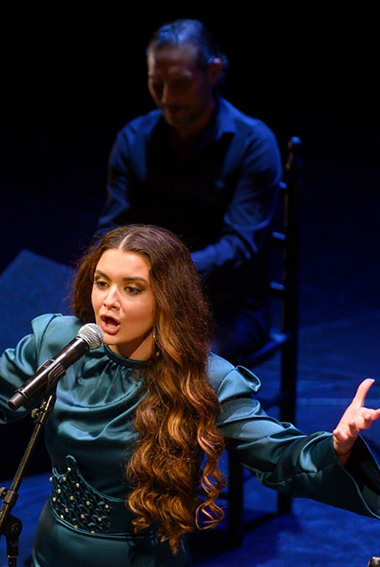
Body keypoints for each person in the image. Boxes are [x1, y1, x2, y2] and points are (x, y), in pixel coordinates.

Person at [0, 224, 380, 567]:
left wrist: (337, 446)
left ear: (166, 300)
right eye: (101, 283)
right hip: (53, 563)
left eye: (131, 288)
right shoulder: (60, 343)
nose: (108, 301)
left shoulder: (207, 380)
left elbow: (275, 453)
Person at [98, 19, 281, 362]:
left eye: (180, 84)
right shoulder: (133, 139)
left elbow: (240, 247)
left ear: (213, 72)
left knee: (179, 361)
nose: (167, 99)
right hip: (143, 294)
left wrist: (162, 273)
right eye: (157, 84)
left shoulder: (253, 143)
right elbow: (113, 228)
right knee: (69, 345)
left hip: (226, 304)